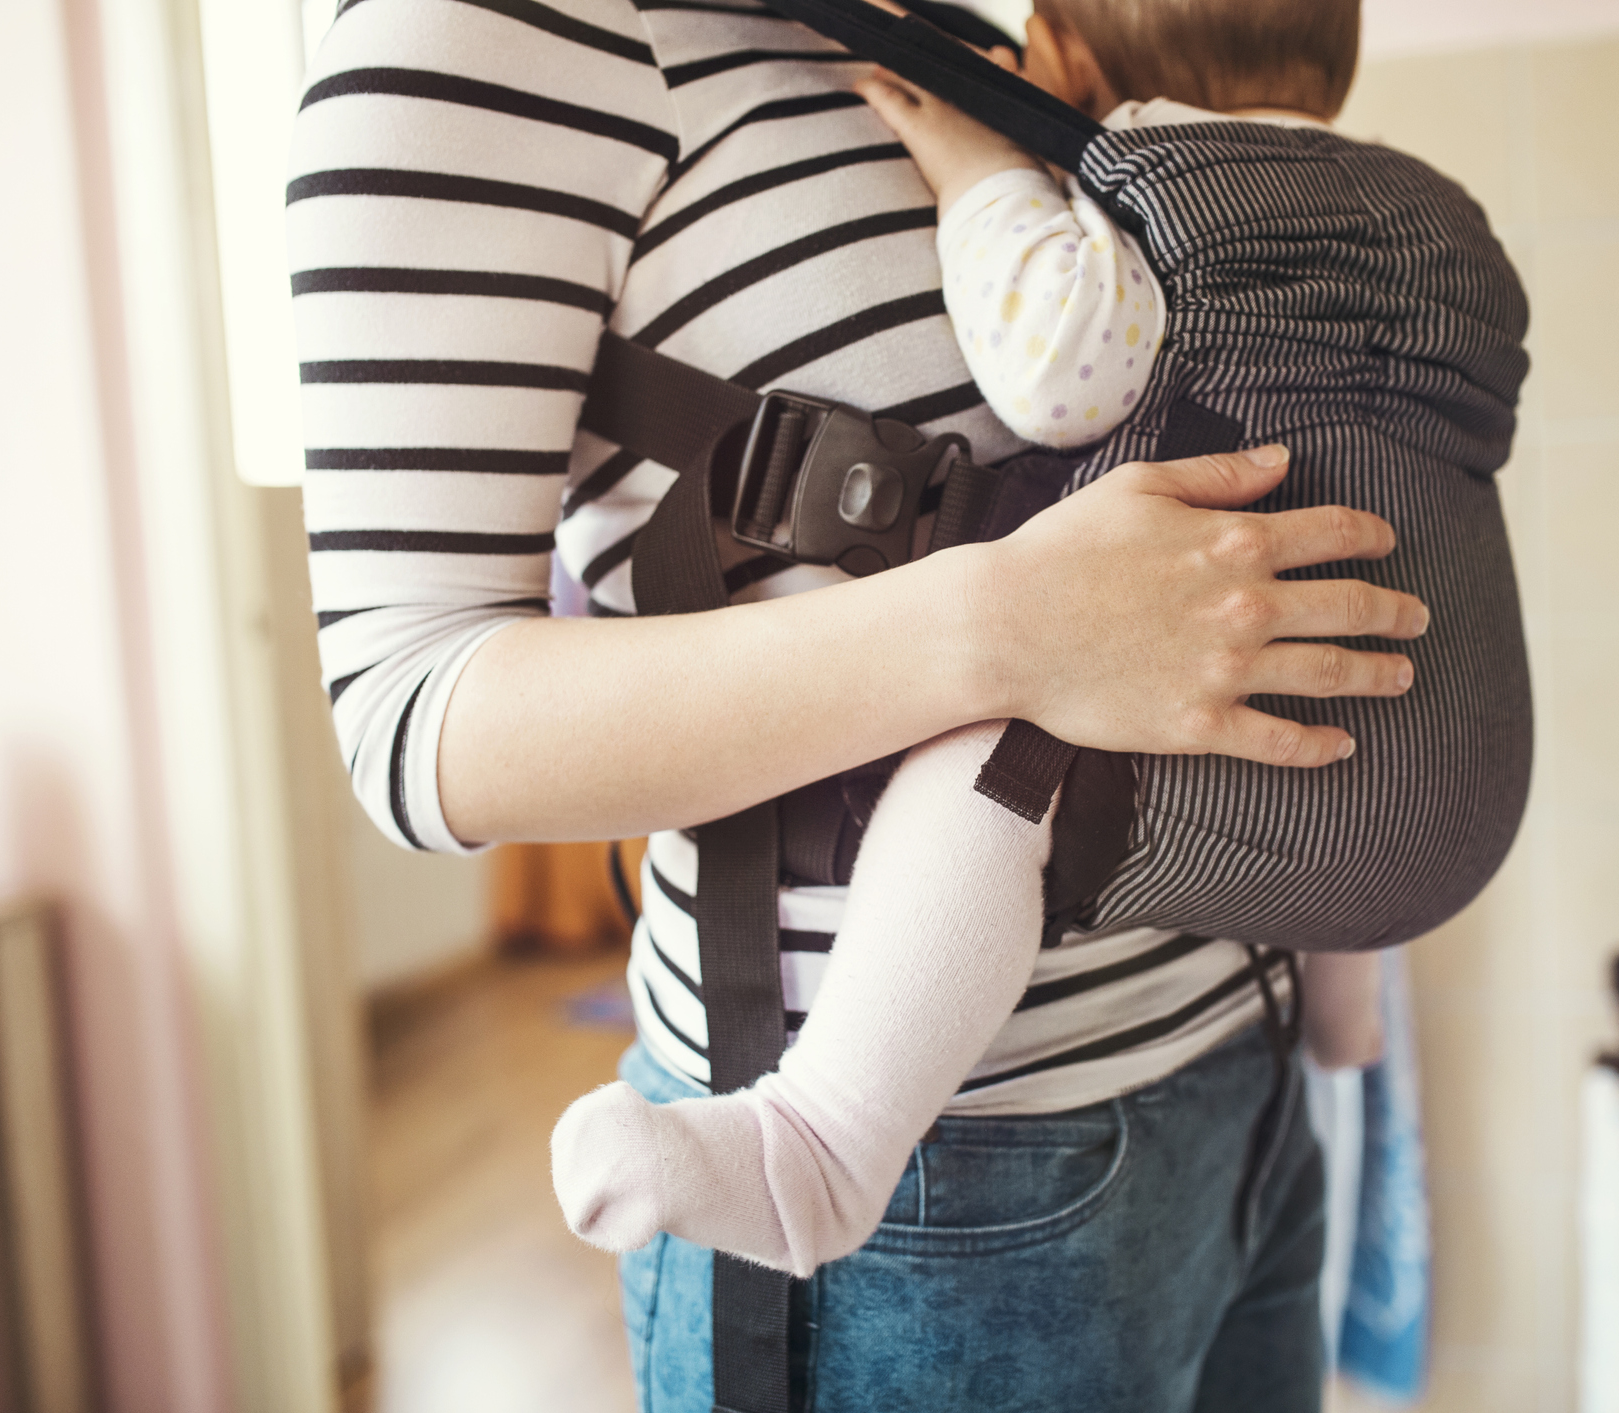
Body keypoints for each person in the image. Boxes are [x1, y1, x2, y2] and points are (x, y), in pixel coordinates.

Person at [288, 0, 1439, 1406]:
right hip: (929, 1191)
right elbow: (412, 721)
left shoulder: (944, 36)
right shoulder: (488, 39)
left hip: (1243, 1086)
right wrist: (1009, 627)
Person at [550, 0, 1526, 1281]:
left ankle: (818, 1155)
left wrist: (982, 169)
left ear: (1064, 52)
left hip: (1202, 799)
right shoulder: (1428, 219)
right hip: (1455, 798)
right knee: (1364, 616)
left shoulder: (1173, 193)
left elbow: (1058, 371)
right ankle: (1339, 1006)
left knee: (983, 755)